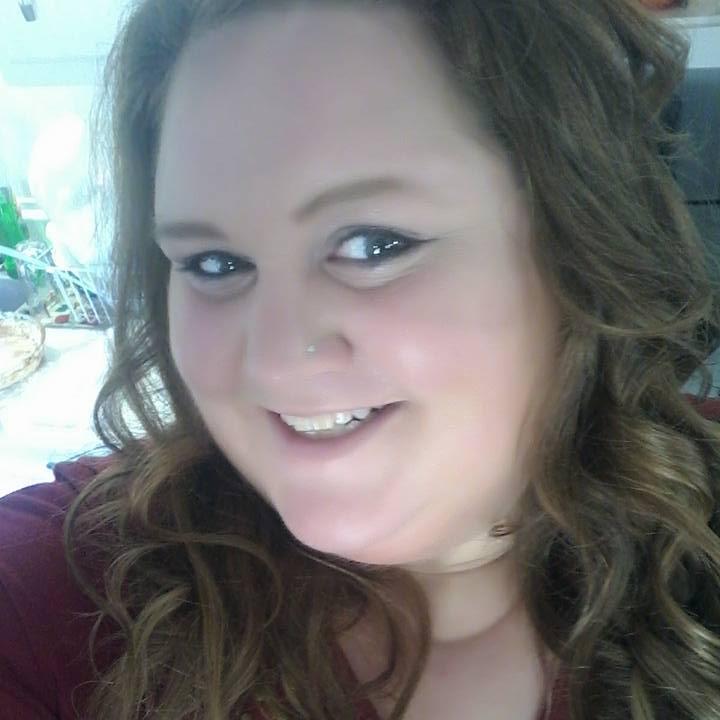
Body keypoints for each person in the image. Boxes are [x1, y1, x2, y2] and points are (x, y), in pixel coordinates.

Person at [2, 0, 720, 718]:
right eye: (214, 263)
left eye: (374, 245)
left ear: (577, 240)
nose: (275, 363)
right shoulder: (65, 591)